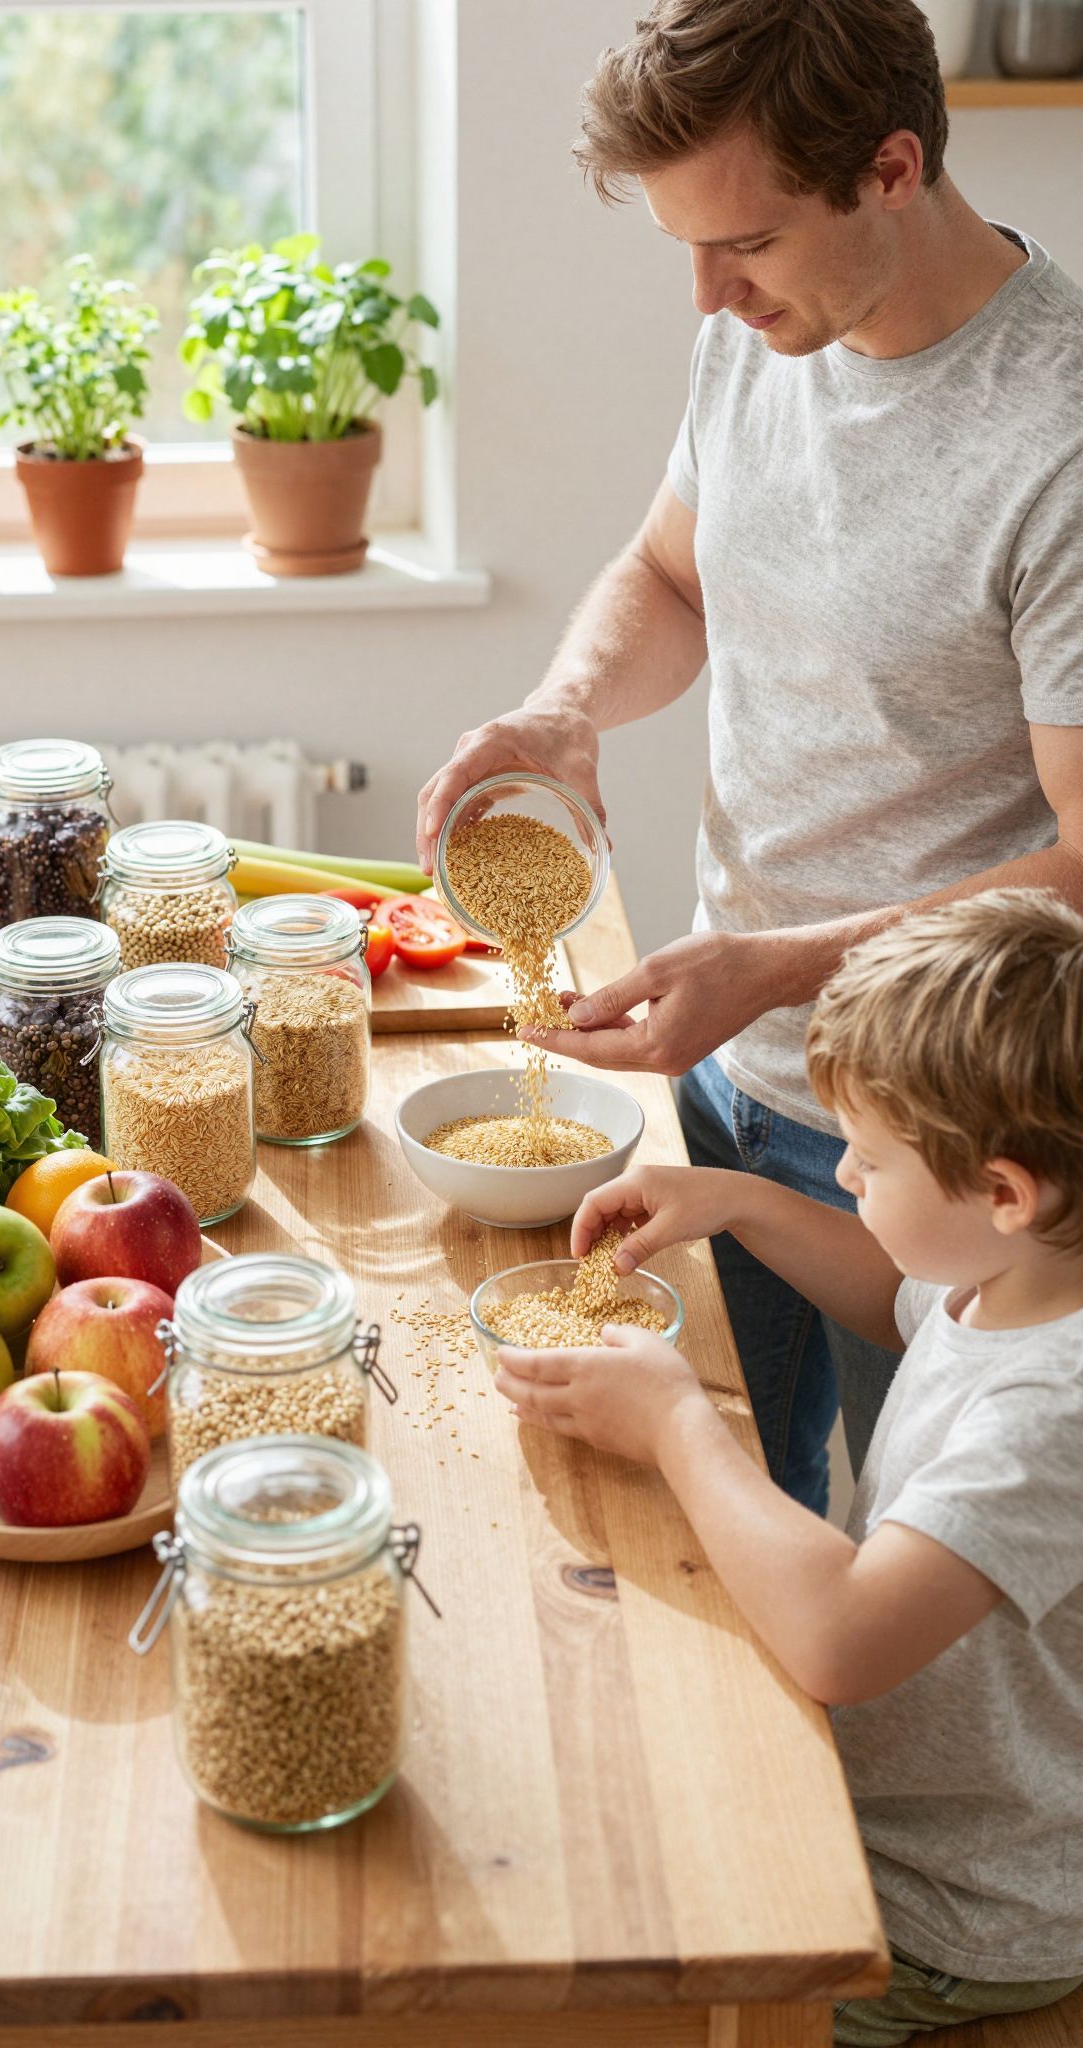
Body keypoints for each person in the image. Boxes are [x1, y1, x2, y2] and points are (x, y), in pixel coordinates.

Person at [415, 0, 1083, 1517]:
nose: (711, 297)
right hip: (723, 1080)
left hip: (947, 1157)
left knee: (920, 1587)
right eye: (687, 250)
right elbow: (671, 575)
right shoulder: (769, 337)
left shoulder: (1058, 435)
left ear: (893, 167)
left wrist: (778, 968)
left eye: (750, 246)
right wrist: (569, 703)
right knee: (699, 1508)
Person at [494, 889, 1083, 2046]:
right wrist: (741, 1203)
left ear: (1007, 1192)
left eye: (866, 1159)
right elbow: (898, 1294)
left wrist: (676, 1420)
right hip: (892, 1795)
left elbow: (841, 1634)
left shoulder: (1052, 1409)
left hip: (948, 1902)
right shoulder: (1011, 1276)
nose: (848, 1180)